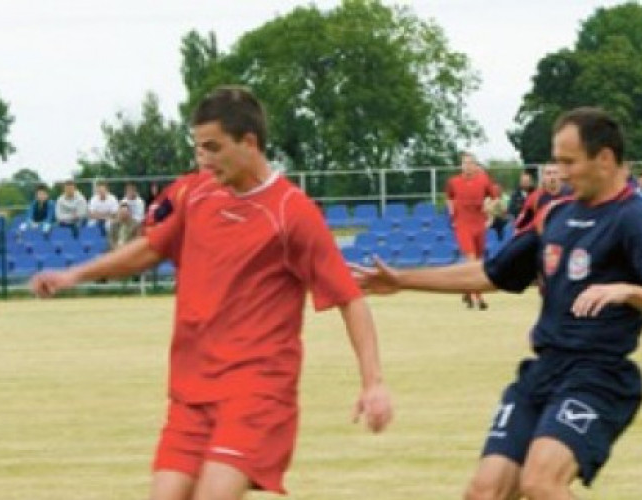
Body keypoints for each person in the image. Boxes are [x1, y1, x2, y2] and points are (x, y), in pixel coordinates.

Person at [30, 85, 393, 500]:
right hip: (191, 390)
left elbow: (349, 298)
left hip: (255, 391)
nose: (203, 158)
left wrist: (373, 383)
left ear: (249, 143)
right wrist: (75, 275)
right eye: (198, 147)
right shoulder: (196, 194)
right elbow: (151, 247)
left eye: (213, 147)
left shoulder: (291, 212)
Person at [352, 107, 642, 500]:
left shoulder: (636, 220)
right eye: (556, 161)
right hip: (542, 372)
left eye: (569, 162)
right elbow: (492, 273)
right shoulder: (555, 214)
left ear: (604, 158)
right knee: (484, 492)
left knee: (541, 484)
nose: (560, 173)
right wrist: (402, 280)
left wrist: (627, 291)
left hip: (598, 378)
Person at [445, 152, 495, 310]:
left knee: (477, 260)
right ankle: (478, 297)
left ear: (475, 165)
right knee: (472, 259)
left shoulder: (484, 180)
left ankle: (467, 290)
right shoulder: (453, 182)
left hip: (479, 224)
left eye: (471, 163)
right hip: (463, 224)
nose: (467, 166)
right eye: (465, 163)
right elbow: (449, 198)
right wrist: (452, 215)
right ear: (461, 166)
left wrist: (490, 214)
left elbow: (494, 198)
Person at [514, 163, 571, 231]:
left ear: (561, 175)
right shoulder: (534, 197)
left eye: (555, 173)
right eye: (548, 173)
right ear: (543, 177)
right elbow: (521, 223)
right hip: (541, 233)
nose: (552, 177)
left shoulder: (572, 194)